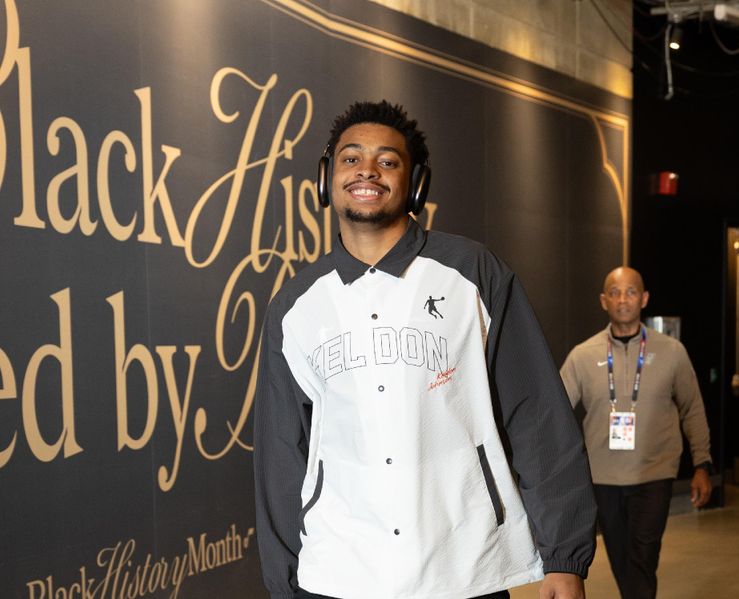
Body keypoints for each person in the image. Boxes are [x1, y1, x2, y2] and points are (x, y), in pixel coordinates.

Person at [254, 99, 596, 599]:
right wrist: (285, 583)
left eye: (388, 161)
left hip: (465, 566)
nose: (367, 170)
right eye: (351, 158)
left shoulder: (473, 273)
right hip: (340, 570)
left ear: (416, 184)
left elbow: (537, 414)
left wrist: (564, 553)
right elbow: (281, 453)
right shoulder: (296, 303)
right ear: (327, 176)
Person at [560, 266, 713, 599]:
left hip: (654, 472)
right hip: (603, 478)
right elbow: (555, 412)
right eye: (614, 292)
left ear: (644, 298)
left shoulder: (672, 352)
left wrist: (702, 464)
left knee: (643, 556)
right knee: (621, 559)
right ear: (603, 301)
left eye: (630, 291)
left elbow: (693, 408)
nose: (622, 299)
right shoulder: (582, 356)